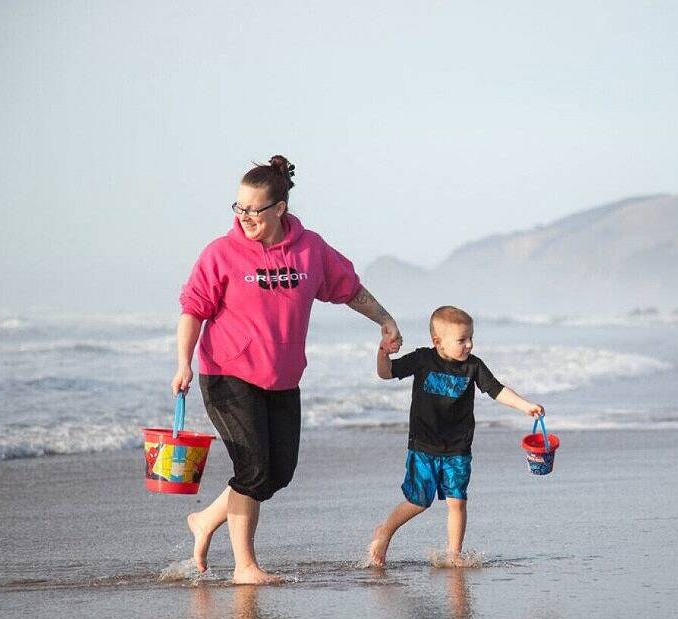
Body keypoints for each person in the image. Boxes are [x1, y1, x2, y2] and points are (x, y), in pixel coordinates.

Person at [172, 154, 402, 584]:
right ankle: (244, 567)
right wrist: (182, 362)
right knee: (253, 469)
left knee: (278, 473)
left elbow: (348, 288)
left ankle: (205, 520)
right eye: (237, 208)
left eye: (253, 209)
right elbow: (193, 309)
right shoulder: (220, 253)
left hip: (282, 377)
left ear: (279, 208)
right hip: (226, 373)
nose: (244, 217)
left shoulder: (310, 249)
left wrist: (385, 320)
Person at [368, 305, 543, 567]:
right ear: (438, 341)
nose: (469, 345)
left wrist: (526, 405)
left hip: (458, 448)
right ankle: (385, 531)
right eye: (462, 340)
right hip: (424, 446)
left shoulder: (473, 367)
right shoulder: (423, 359)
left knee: (457, 501)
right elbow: (386, 373)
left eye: (471, 338)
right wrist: (383, 350)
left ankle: (453, 555)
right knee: (418, 502)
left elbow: (497, 390)